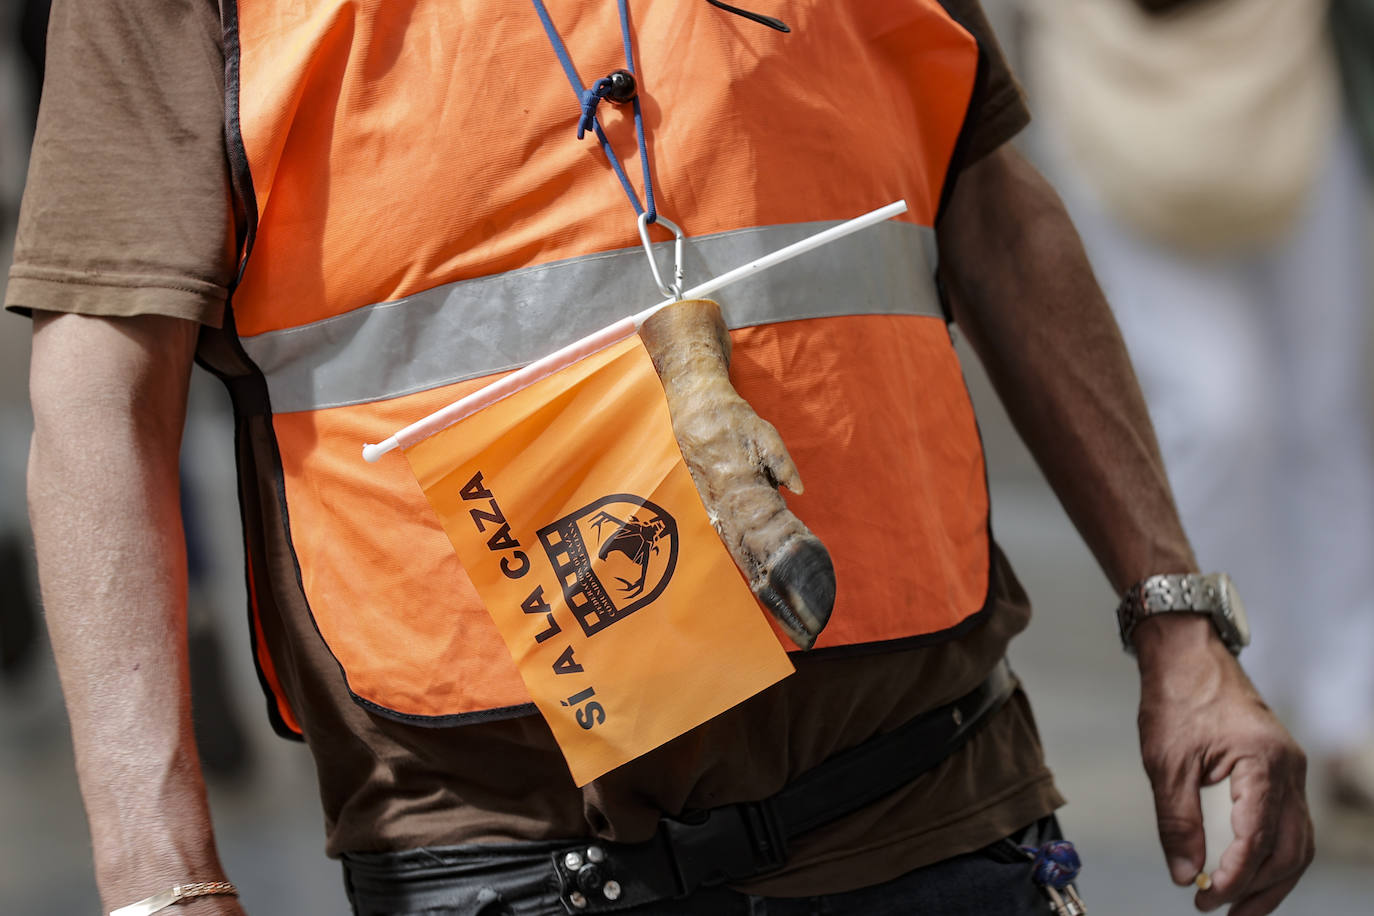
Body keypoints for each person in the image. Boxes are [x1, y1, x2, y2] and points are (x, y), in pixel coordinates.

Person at [8, 1, 1311, 914]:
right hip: (506, 852)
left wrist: (1178, 626)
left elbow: (985, 196)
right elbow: (99, 381)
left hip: (933, 798)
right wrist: (158, 879)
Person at [1023, 0, 1374, 840]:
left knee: (1325, 412)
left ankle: (1350, 717)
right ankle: (1235, 703)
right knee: (1220, 413)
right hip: (1115, 76)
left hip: (1287, 65)